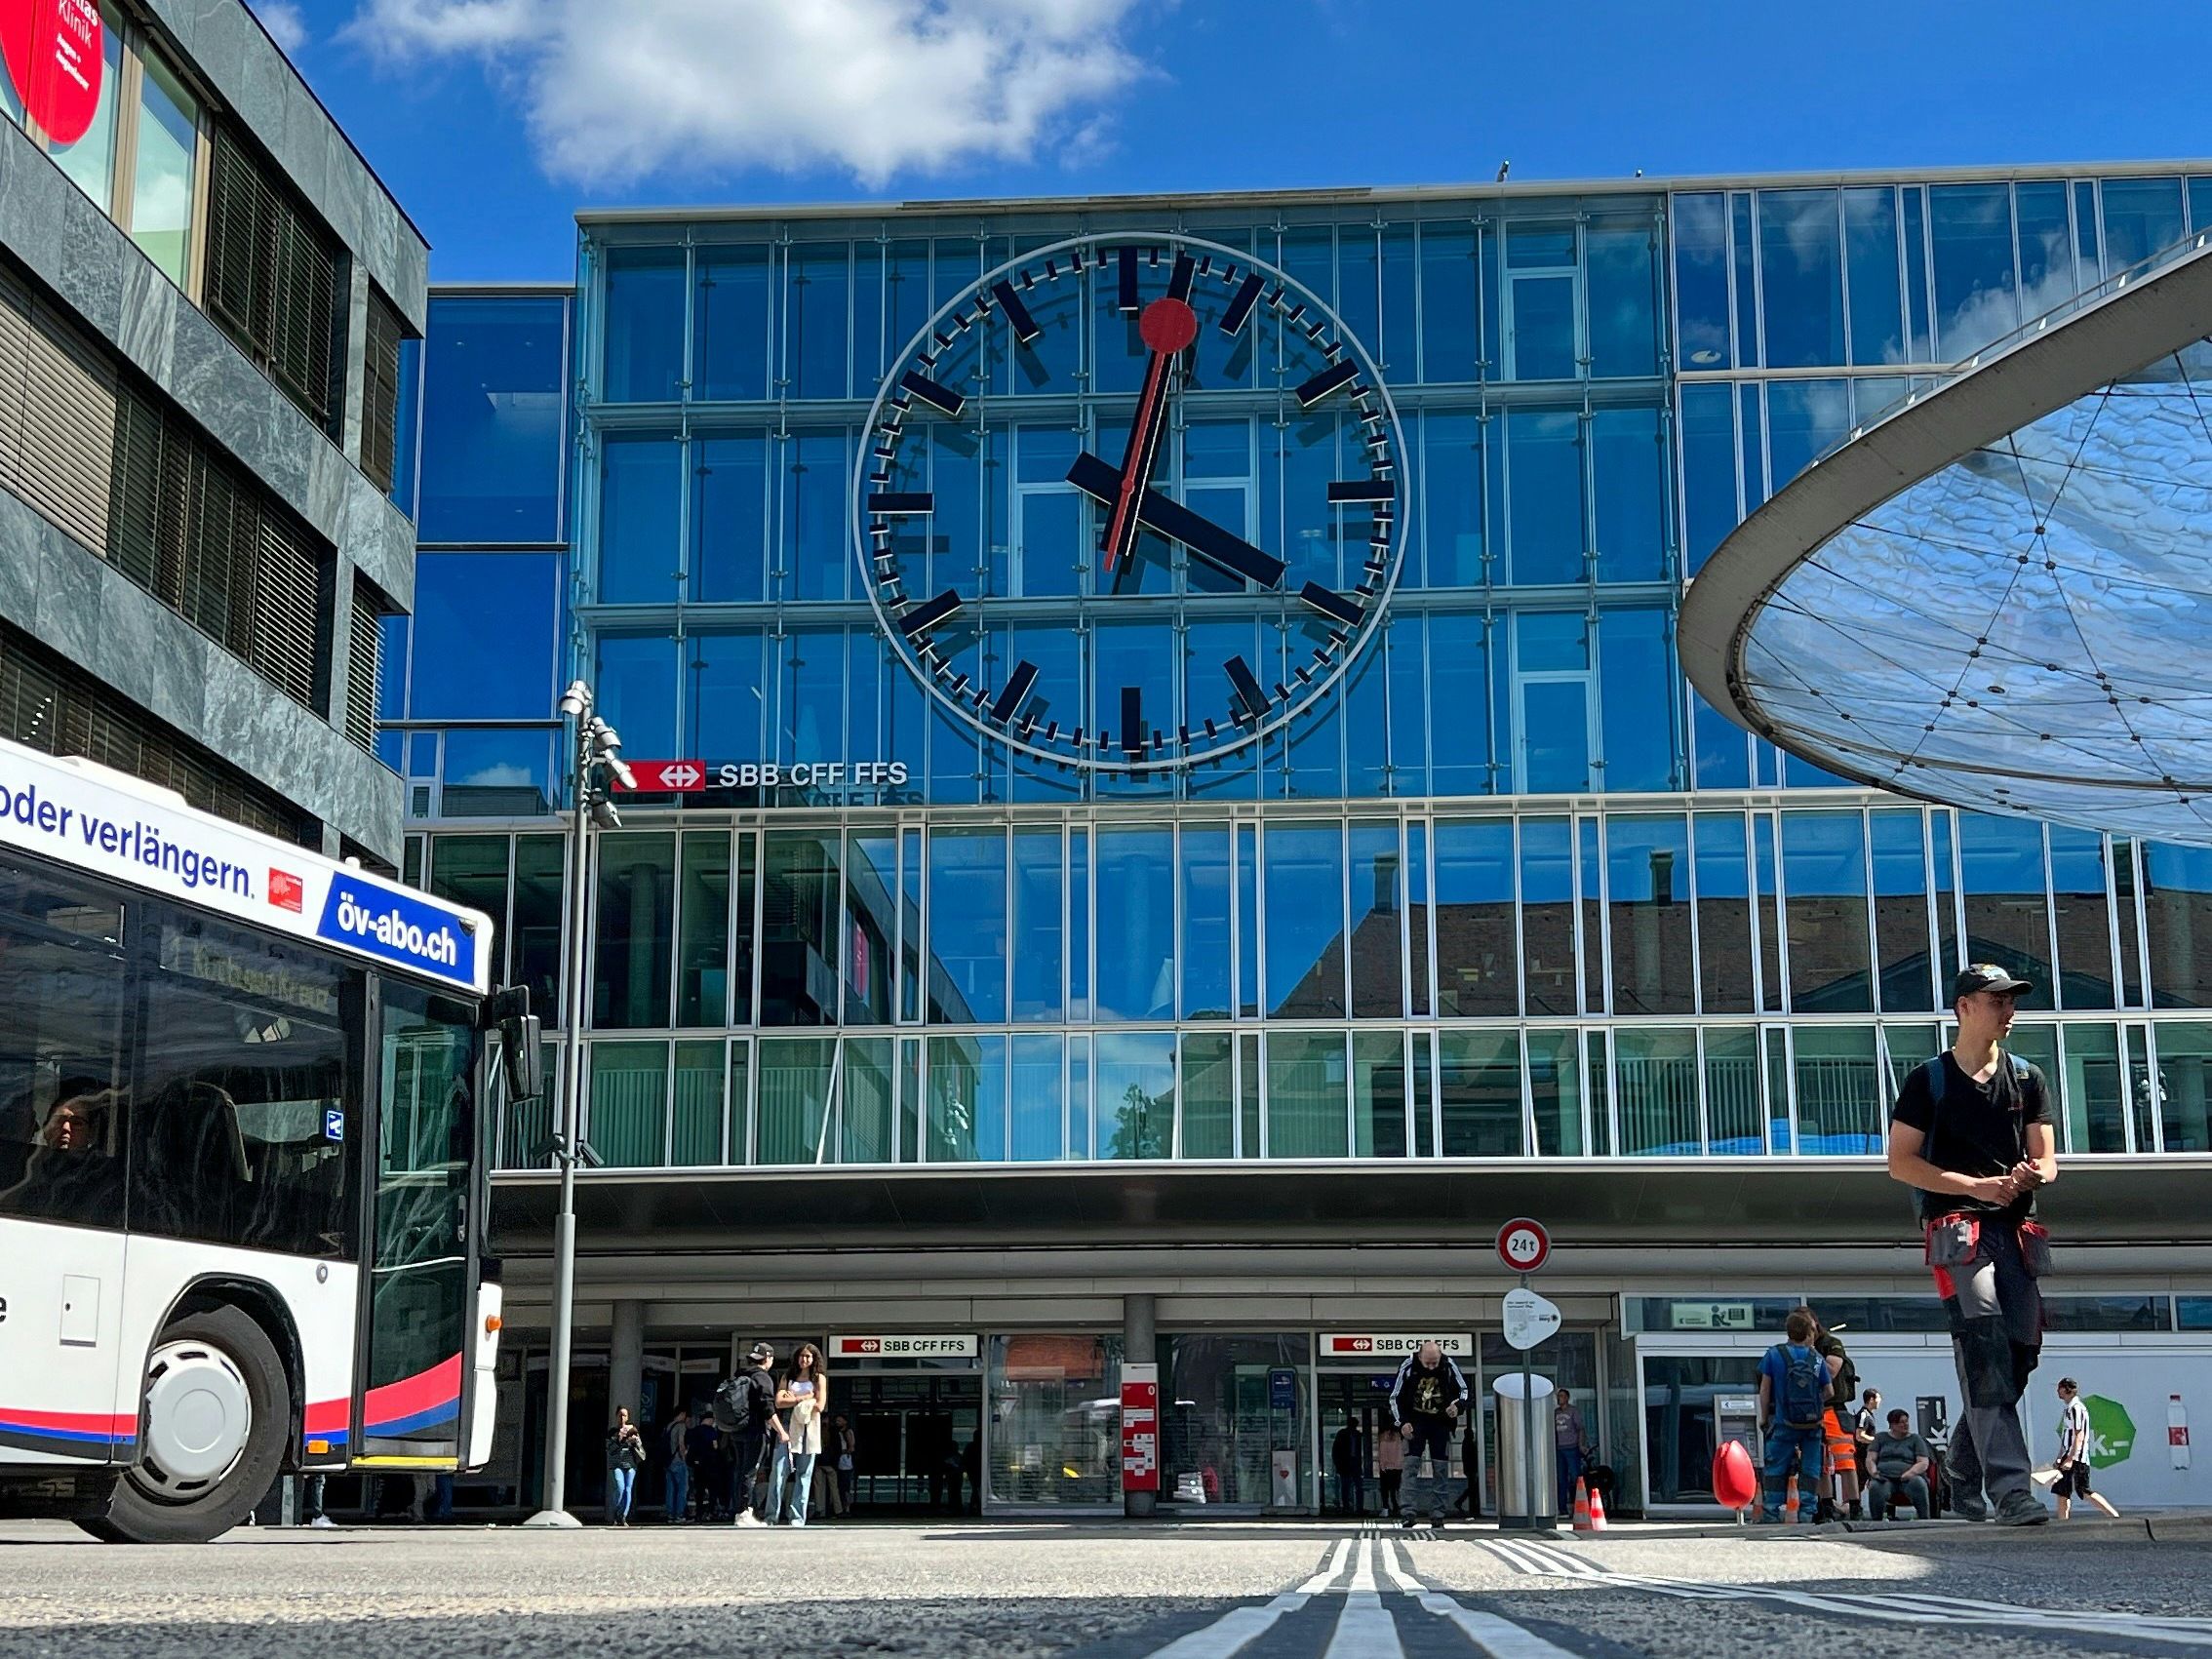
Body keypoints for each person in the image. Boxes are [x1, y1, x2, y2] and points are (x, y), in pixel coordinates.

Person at [1888, 964, 2058, 1527]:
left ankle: (1962, 1463)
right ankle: (2011, 1489)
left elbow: (2049, 1159)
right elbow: (1900, 1162)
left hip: (2016, 1231)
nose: (2008, 1010)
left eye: (2011, 1001)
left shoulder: (2028, 1077)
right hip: (1957, 1234)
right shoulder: (1927, 1081)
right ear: (1964, 1007)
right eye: (1996, 1000)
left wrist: (2032, 1174)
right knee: (1984, 1348)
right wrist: (1976, 1186)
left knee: (2020, 1354)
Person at [1757, 1309, 1828, 1524]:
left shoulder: (1774, 1355)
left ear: (1788, 1331)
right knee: (1811, 1467)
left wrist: (1763, 1418)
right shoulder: (1816, 1359)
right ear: (1808, 1332)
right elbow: (1830, 1391)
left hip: (1783, 1422)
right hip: (1812, 1423)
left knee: (1776, 1466)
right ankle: (1807, 1512)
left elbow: (1765, 1389)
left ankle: (1770, 1511)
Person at [1388, 1339, 1468, 1527]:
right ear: (1420, 1356)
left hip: (1440, 1423)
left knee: (1440, 1469)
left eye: (1435, 1362)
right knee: (1410, 1468)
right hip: (1415, 1423)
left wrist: (1458, 1406)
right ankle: (1408, 1512)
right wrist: (1402, 1423)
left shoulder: (1448, 1365)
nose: (1432, 1367)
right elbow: (1394, 1397)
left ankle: (1438, 1514)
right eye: (1427, 1363)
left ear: (1440, 1357)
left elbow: (1464, 1390)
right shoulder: (1408, 1365)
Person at [718, 1342, 786, 1526]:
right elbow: (768, 1409)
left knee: (740, 1471)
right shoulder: (763, 1378)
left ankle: (739, 1511)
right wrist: (782, 1432)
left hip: (737, 1431)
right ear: (769, 1358)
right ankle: (744, 1512)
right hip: (755, 1431)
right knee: (751, 1471)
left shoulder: (741, 1375)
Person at [1802, 1310, 1860, 1521]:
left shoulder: (1831, 1343)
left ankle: (1854, 1507)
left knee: (1845, 1461)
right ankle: (1826, 1507)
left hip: (1834, 1409)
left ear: (1815, 1325)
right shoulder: (1798, 1349)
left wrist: (1810, 1351)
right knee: (1819, 1463)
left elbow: (1831, 1370)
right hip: (1813, 1411)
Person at [770, 1343, 826, 1526]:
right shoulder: (788, 1376)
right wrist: (804, 1398)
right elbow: (778, 1403)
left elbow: (820, 1406)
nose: (805, 1360)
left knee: (804, 1473)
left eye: (808, 1356)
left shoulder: (819, 1379)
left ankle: (797, 1517)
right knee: (778, 1471)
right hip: (787, 1425)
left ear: (814, 1359)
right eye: (802, 1356)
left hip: (809, 1426)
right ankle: (772, 1516)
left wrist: (791, 1399)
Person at [2052, 1378, 2120, 1521]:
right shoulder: (2068, 1408)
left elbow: (2079, 1434)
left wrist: (2071, 1458)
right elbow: (2067, 1435)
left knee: (2084, 1490)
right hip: (2068, 1455)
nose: (2057, 1391)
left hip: (2078, 1457)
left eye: (2059, 1388)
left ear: (2066, 1389)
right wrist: (2060, 1456)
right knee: (2062, 1491)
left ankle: (2113, 1516)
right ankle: (2062, 1521)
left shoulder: (2077, 1408)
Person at [1865, 1408, 1935, 1520]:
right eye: (1901, 1422)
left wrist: (1910, 1473)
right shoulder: (1880, 1438)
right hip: (1885, 1477)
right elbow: (1870, 1459)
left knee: (1919, 1484)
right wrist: (1874, 1473)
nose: (1905, 1425)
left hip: (1909, 1477)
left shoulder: (1915, 1439)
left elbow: (1923, 1462)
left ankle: (1924, 1518)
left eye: (1906, 1421)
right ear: (1892, 1425)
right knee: (1875, 1487)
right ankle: (1876, 1521)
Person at [606, 1404, 645, 1526]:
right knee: (620, 1487)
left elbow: (640, 1446)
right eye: (620, 1415)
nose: (622, 1418)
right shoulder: (612, 1432)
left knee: (628, 1489)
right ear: (616, 1416)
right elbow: (610, 1449)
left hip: (630, 1464)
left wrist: (634, 1440)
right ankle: (615, 1513)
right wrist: (619, 1438)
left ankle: (623, 1516)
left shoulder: (632, 1430)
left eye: (625, 1415)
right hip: (617, 1464)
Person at [1554, 1388, 1590, 1508]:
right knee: (1561, 1478)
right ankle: (1562, 1507)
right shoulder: (1555, 1413)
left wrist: (1580, 1445)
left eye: (1562, 1396)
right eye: (1558, 1396)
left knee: (1576, 1477)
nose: (1560, 1399)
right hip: (1560, 1449)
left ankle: (1579, 1505)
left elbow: (1580, 1429)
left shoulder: (1573, 1411)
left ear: (1567, 1398)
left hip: (1572, 1447)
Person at [1329, 1413, 1367, 1516]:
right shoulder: (1342, 1434)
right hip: (1345, 1464)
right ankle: (1346, 1507)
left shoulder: (1358, 1435)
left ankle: (1358, 1507)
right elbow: (1336, 1450)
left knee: (1357, 1486)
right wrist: (1338, 1464)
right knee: (1346, 1486)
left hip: (1354, 1464)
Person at [1853, 1388, 1882, 1512]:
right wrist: (1875, 1440)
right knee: (1859, 1484)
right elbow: (1859, 1435)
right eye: (1878, 1398)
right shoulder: (1863, 1415)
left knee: (1867, 1483)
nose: (1880, 1401)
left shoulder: (1869, 1415)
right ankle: (1854, 1508)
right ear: (1871, 1399)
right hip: (1861, 1456)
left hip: (1867, 1456)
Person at [664, 1405, 693, 1524]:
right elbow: (681, 1443)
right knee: (682, 1489)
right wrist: (684, 1456)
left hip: (668, 1461)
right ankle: (679, 1514)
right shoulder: (681, 1426)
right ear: (681, 1414)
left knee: (670, 1489)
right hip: (678, 1460)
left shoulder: (668, 1426)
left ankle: (670, 1514)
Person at [829, 1414, 857, 1517]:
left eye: (840, 1421)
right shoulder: (837, 1433)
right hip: (839, 1462)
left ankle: (847, 1507)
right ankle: (842, 1506)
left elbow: (852, 1447)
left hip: (846, 1462)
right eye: (837, 1421)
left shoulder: (848, 1432)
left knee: (845, 1486)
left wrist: (842, 1452)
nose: (837, 1423)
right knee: (840, 1486)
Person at [1375, 1422, 1404, 1519]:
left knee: (1385, 1489)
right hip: (1398, 1467)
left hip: (1386, 1468)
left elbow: (1382, 1452)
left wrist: (1382, 1466)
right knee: (1395, 1489)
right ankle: (1396, 1507)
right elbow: (1401, 1453)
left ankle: (1386, 1509)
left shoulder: (1383, 1436)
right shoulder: (1398, 1436)